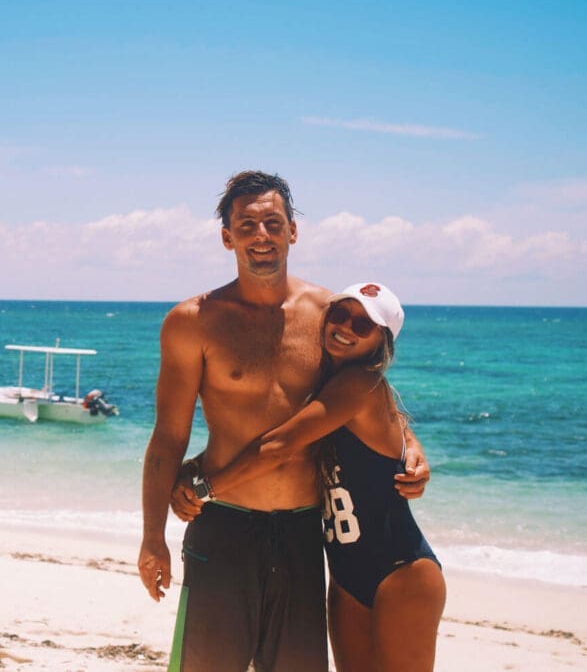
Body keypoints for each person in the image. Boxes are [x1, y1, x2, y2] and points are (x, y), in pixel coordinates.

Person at [137, 170, 430, 671]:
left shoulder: (328, 315)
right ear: (227, 237)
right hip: (222, 525)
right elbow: (168, 436)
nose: (261, 237)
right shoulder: (192, 321)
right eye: (246, 226)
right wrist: (151, 538)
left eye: (273, 223)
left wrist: (409, 441)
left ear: (293, 230)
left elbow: (366, 387)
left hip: (302, 531)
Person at [172, 282, 446, 672]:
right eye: (340, 314)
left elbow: (281, 445)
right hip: (345, 574)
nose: (346, 327)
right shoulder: (324, 385)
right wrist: (200, 461)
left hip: (401, 569)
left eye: (363, 325)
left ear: (380, 344)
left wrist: (205, 487)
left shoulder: (359, 384)